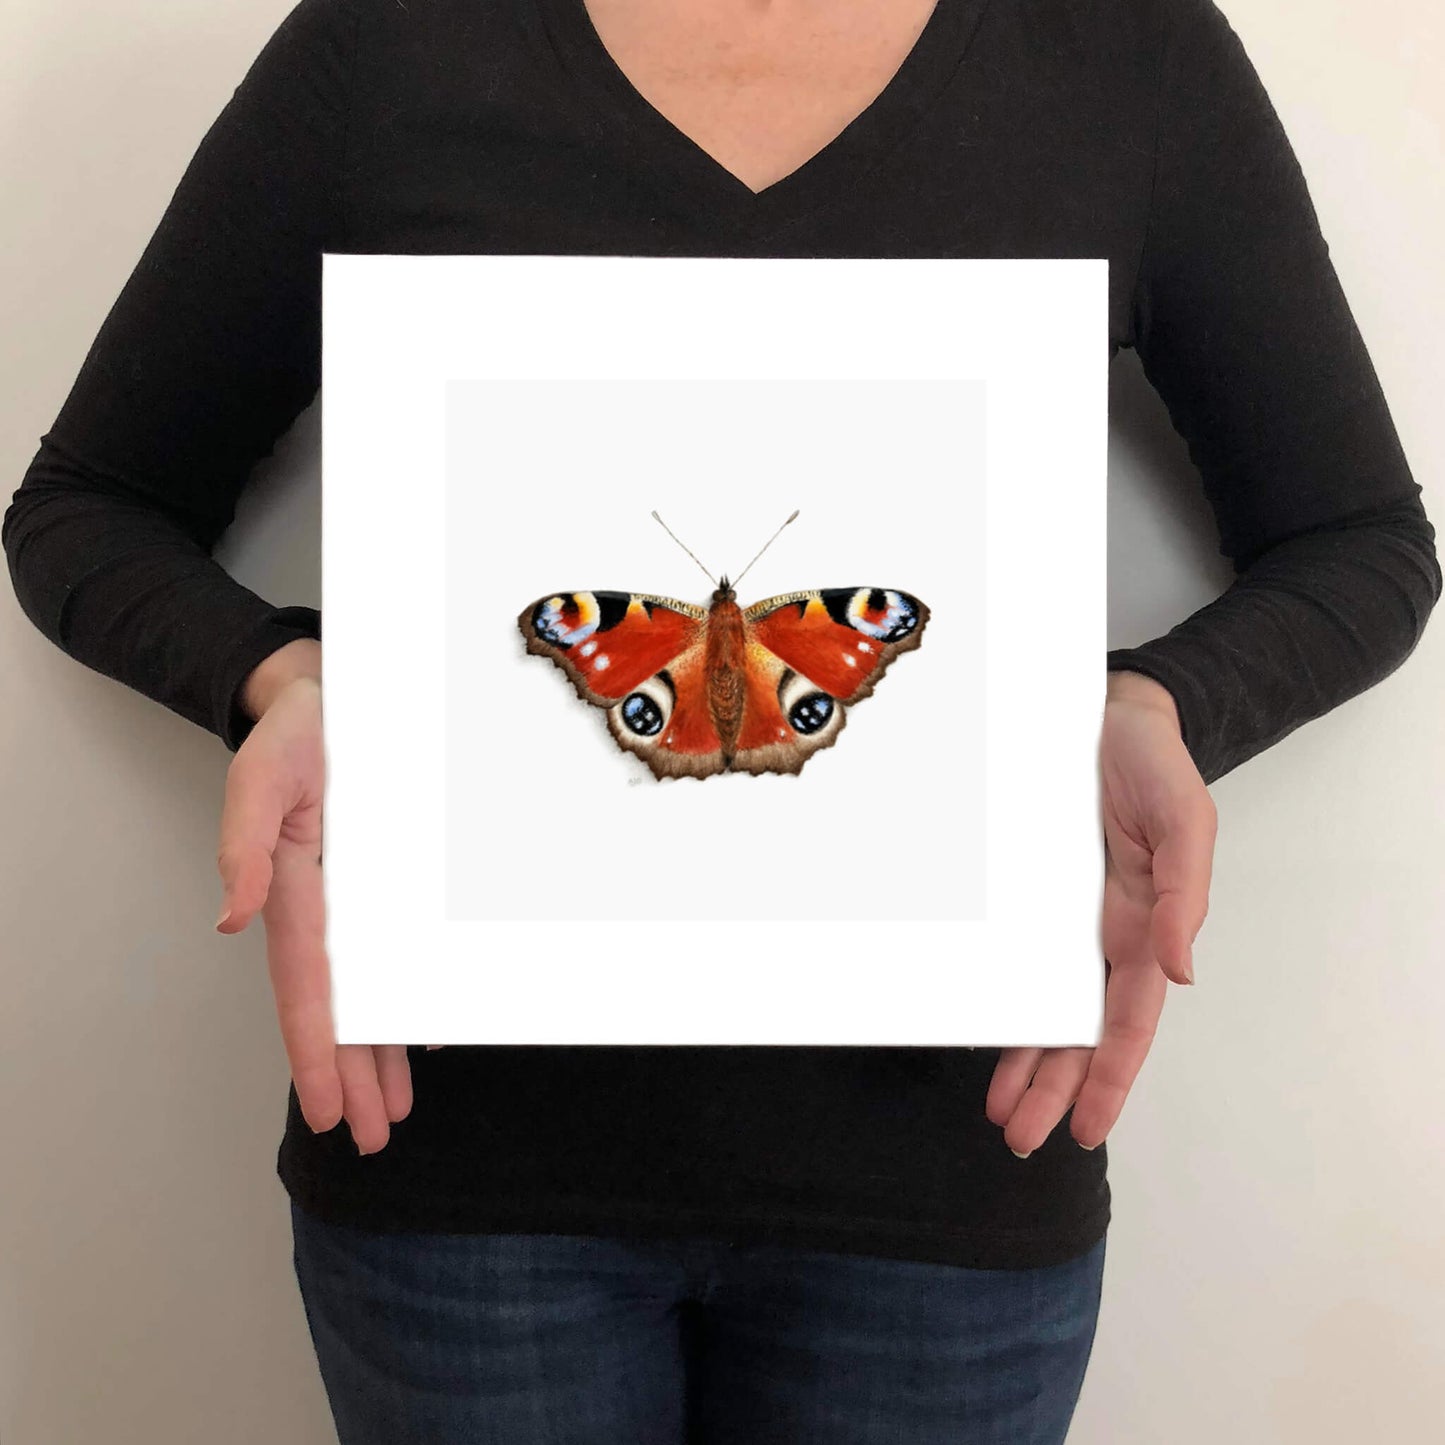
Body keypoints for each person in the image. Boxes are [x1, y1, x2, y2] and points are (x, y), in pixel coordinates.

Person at [4, 0, 1438, 1440]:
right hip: (459, 1171)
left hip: (949, 1170)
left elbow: (1362, 542)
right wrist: (293, 680)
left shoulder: (1123, 49)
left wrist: (1155, 702)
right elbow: (85, 513)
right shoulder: (393, 41)